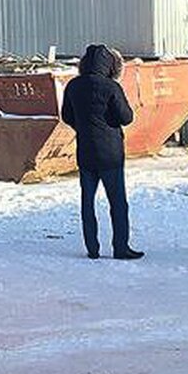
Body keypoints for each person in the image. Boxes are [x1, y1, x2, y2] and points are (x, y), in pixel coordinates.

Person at [60, 44, 143, 260]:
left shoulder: (73, 86)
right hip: (111, 153)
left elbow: (67, 116)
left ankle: (92, 248)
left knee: (88, 201)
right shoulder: (111, 87)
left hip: (85, 151)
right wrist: (109, 124)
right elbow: (126, 117)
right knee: (117, 202)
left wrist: (83, 126)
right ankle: (121, 247)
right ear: (108, 65)